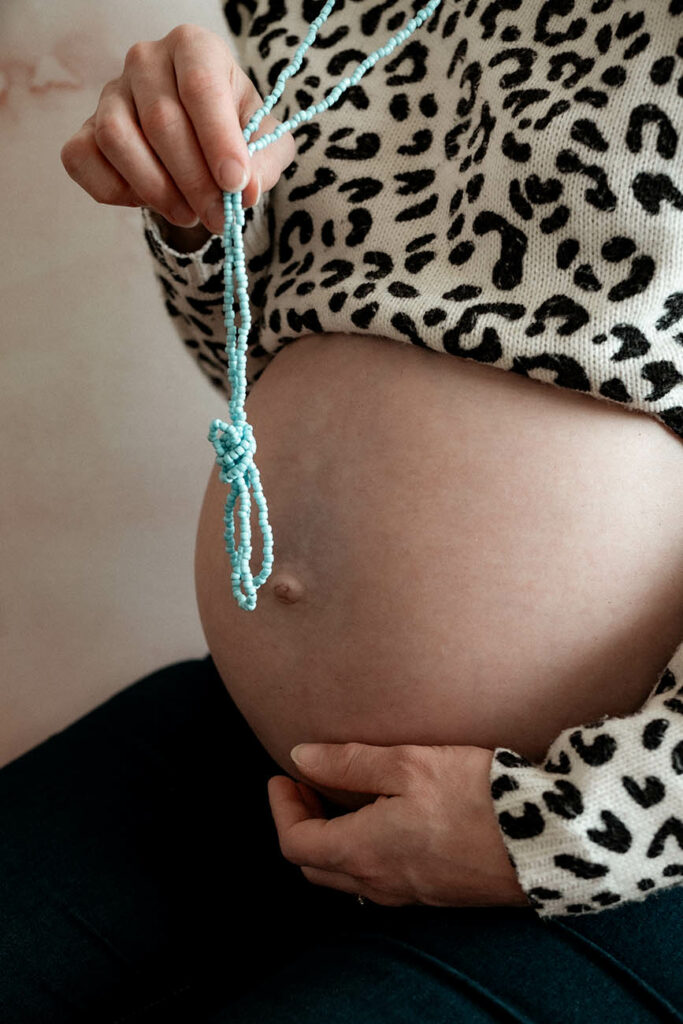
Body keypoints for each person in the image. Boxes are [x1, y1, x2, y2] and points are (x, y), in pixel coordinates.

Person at [2, 1, 681, 1021]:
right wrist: (194, 201)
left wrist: (581, 826)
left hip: (601, 830)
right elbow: (261, 346)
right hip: (249, 751)